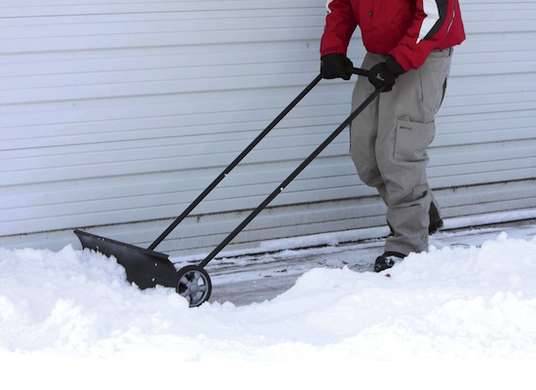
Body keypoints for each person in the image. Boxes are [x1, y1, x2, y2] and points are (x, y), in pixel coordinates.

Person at [320, 1, 465, 272]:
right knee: (365, 152)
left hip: (423, 51)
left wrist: (400, 61)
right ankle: (420, 209)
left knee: (399, 153)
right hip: (379, 55)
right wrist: (333, 48)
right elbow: (339, 4)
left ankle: (407, 245)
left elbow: (436, 14)